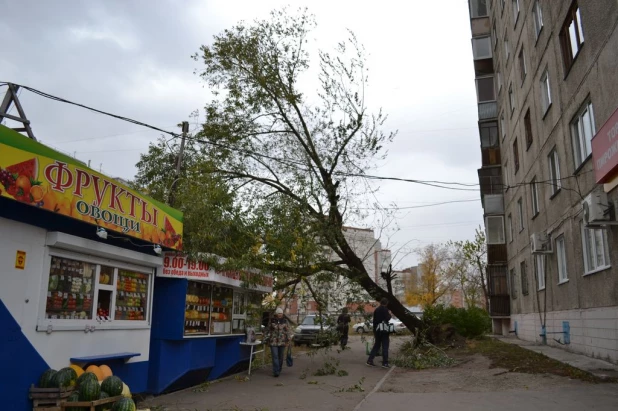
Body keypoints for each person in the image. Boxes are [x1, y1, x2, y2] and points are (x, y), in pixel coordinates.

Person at [264, 307, 292, 377]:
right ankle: (276, 372)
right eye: (279, 313)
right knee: (275, 356)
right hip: (273, 341)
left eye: (281, 313)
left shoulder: (285, 321)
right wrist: (265, 338)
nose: (280, 314)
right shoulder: (272, 321)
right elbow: (268, 330)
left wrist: (289, 339)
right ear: (276, 314)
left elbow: (288, 331)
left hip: (282, 341)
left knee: (281, 357)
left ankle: (279, 369)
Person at [366, 298, 391, 368]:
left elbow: (375, 320)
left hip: (377, 330)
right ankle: (385, 363)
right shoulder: (385, 310)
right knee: (385, 346)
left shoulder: (376, 310)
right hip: (384, 330)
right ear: (386, 303)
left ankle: (370, 360)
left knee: (377, 345)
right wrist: (390, 315)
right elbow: (387, 318)